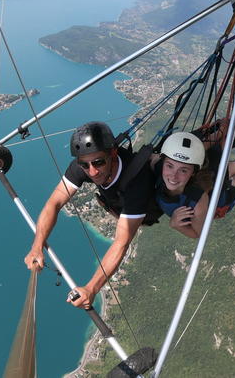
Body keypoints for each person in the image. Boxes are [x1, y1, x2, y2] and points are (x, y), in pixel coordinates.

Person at [24, 121, 157, 309]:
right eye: (84, 164)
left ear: (113, 153)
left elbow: (121, 243)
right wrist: (37, 245)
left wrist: (91, 288)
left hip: (143, 207)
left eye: (98, 162)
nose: (92, 171)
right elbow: (54, 203)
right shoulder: (84, 165)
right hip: (116, 201)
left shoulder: (137, 182)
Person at [152, 125, 235, 239]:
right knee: (221, 169)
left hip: (219, 201)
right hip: (206, 180)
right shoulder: (159, 167)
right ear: (163, 163)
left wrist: (175, 224)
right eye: (170, 166)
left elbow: (197, 233)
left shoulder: (198, 200)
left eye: (183, 170)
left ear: (192, 172)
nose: (173, 176)